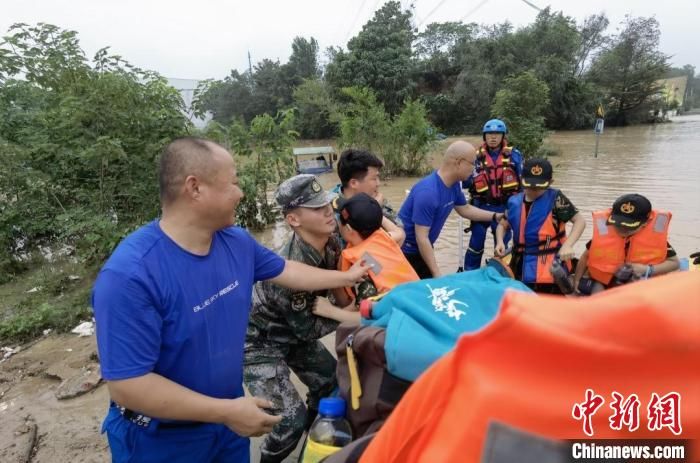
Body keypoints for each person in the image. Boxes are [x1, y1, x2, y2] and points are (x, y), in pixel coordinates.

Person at [91, 138, 367, 463]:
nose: (241, 193)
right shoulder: (130, 276)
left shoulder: (234, 242)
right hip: (161, 438)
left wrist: (347, 278)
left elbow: (290, 271)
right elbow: (127, 385)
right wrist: (224, 412)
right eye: (233, 183)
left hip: (228, 420)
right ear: (195, 188)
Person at [244, 174, 361, 463]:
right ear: (294, 220)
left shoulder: (332, 241)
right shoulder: (288, 270)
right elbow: (308, 330)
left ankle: (313, 434)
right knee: (286, 421)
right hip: (259, 344)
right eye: (316, 208)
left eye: (326, 204)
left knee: (332, 383)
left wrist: (346, 308)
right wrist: (346, 315)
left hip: (294, 332)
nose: (327, 211)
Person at [398, 141, 505, 279]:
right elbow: (422, 238)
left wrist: (496, 216)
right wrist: (436, 274)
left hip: (423, 248)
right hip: (407, 252)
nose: (475, 169)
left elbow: (465, 209)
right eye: (473, 164)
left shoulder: (454, 185)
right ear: (459, 162)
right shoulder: (428, 192)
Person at [495, 158, 585, 294]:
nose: (533, 190)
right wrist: (500, 242)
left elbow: (580, 221)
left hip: (549, 265)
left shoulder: (557, 199)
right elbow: (502, 225)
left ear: (550, 183)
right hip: (519, 262)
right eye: (529, 186)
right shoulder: (514, 201)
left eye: (538, 187)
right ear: (521, 179)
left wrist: (568, 245)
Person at [573, 193, 680, 294]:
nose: (622, 230)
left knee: (635, 288)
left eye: (629, 227)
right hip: (602, 281)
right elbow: (585, 257)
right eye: (618, 225)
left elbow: (675, 263)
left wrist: (647, 269)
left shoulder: (656, 240)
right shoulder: (604, 236)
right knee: (597, 291)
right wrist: (577, 280)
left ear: (645, 223)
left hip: (635, 281)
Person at [333, 193, 419, 308]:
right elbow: (399, 233)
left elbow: (362, 315)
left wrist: (330, 311)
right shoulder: (382, 238)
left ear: (348, 229)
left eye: (339, 219)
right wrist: (374, 213)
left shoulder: (359, 268)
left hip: (400, 315)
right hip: (418, 297)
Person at [462, 119, 523, 270]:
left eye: (497, 134)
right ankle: (471, 274)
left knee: (502, 246)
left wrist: (518, 209)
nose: (493, 137)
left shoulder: (514, 156)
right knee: (475, 244)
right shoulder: (475, 157)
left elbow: (523, 185)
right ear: (484, 136)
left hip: (505, 208)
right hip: (481, 207)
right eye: (489, 134)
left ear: (503, 136)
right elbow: (464, 180)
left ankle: (500, 274)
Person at [331, 148, 404, 246]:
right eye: (374, 178)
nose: (378, 183)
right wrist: (372, 210)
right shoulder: (329, 208)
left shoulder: (375, 198)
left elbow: (400, 239)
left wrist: (375, 209)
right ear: (353, 183)